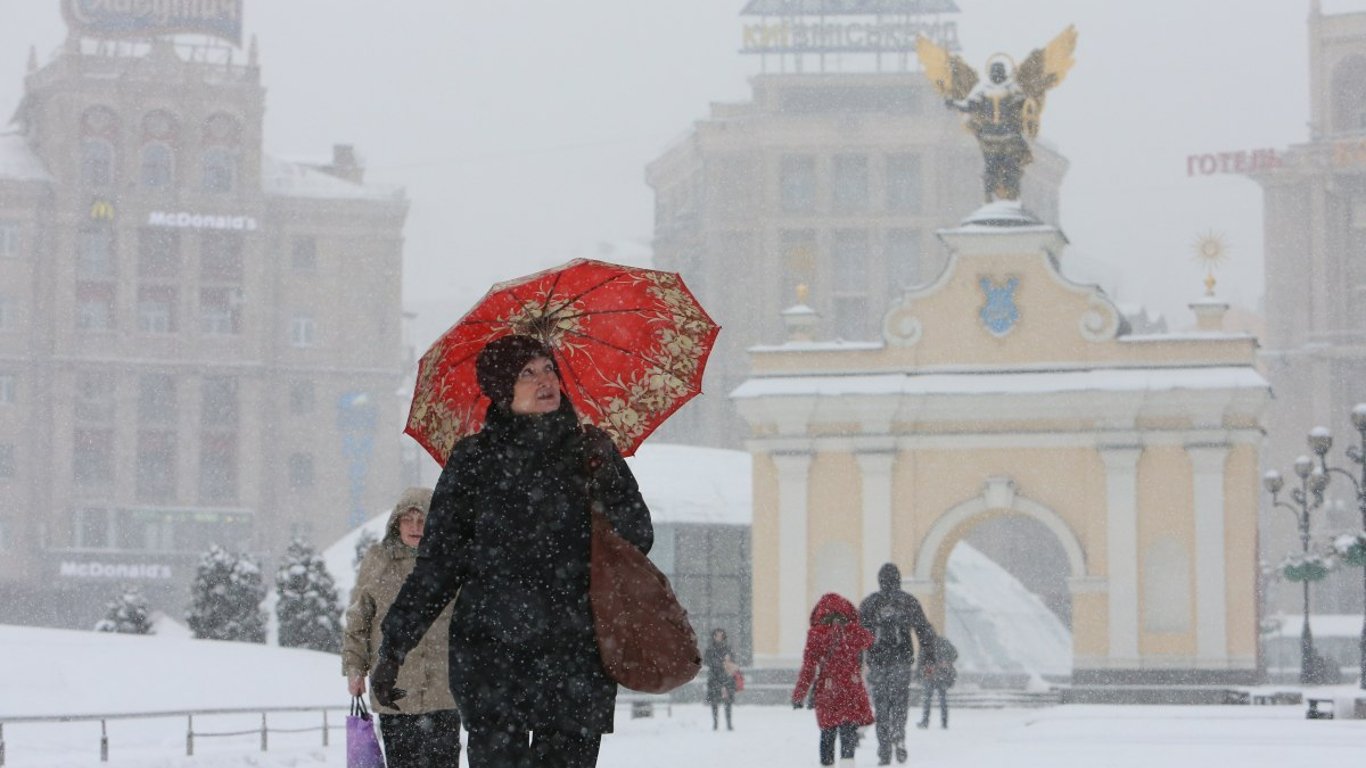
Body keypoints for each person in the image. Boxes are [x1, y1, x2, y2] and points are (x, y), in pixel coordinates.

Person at [373, 334, 653, 768]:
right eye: (527, 373)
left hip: (574, 655)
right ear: (503, 390)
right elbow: (438, 567)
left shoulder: (592, 451)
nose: (544, 381)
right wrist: (393, 646)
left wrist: (599, 510)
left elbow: (638, 535)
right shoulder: (472, 462)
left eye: (549, 370)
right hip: (493, 658)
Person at [341, 487, 460, 768]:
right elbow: (358, 620)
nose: (416, 527)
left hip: (444, 691)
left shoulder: (450, 563)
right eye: (409, 520)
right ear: (397, 522)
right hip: (393, 690)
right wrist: (355, 668)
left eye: (423, 520)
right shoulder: (378, 561)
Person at [859, 562, 937, 766]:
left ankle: (884, 749)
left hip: (877, 663)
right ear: (898, 580)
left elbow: (857, 637)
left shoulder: (870, 603)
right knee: (900, 702)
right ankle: (899, 734)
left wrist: (856, 663)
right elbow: (925, 632)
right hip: (901, 662)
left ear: (880, 580)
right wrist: (927, 661)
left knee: (881, 706)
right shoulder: (908, 601)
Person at [791, 593, 876, 768]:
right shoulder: (854, 633)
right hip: (851, 688)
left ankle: (827, 763)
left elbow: (808, 669)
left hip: (828, 690)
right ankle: (847, 762)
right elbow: (869, 640)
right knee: (848, 730)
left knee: (827, 732)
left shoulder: (816, 635)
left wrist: (799, 695)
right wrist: (851, 625)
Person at [917, 634, 958, 730]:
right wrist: (947, 661)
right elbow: (955, 654)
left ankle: (926, 721)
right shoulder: (944, 643)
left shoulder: (928, 644)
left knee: (929, 700)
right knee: (941, 699)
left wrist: (921, 672)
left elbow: (921, 660)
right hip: (938, 676)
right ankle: (943, 722)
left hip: (932, 675)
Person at [703, 628, 739, 731]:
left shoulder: (728, 648)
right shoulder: (710, 649)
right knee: (714, 703)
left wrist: (727, 662)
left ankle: (729, 723)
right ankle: (715, 724)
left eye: (721, 635)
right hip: (714, 679)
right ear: (713, 636)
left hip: (727, 679)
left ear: (724, 637)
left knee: (728, 703)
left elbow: (733, 662)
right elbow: (706, 662)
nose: (719, 637)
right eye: (717, 635)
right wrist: (719, 663)